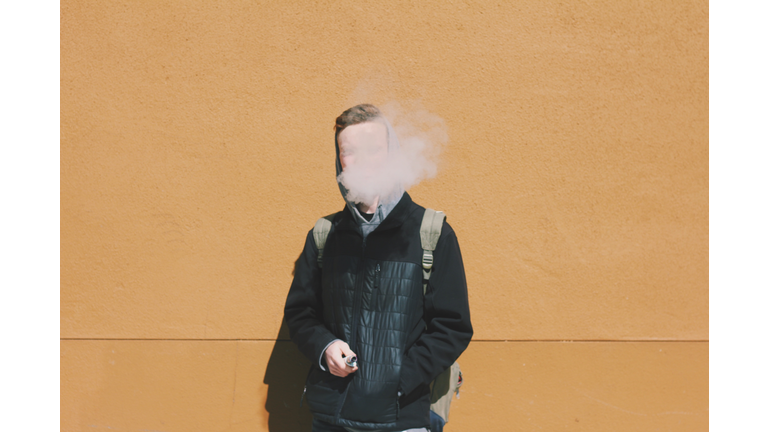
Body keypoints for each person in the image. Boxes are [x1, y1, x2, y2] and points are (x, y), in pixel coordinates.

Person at [283, 104, 472, 432]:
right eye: (349, 151)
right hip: (331, 418)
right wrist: (325, 347)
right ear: (339, 160)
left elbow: (452, 327)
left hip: (402, 418)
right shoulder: (325, 234)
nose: (361, 160)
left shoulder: (432, 232)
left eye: (373, 149)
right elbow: (301, 314)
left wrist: (396, 378)